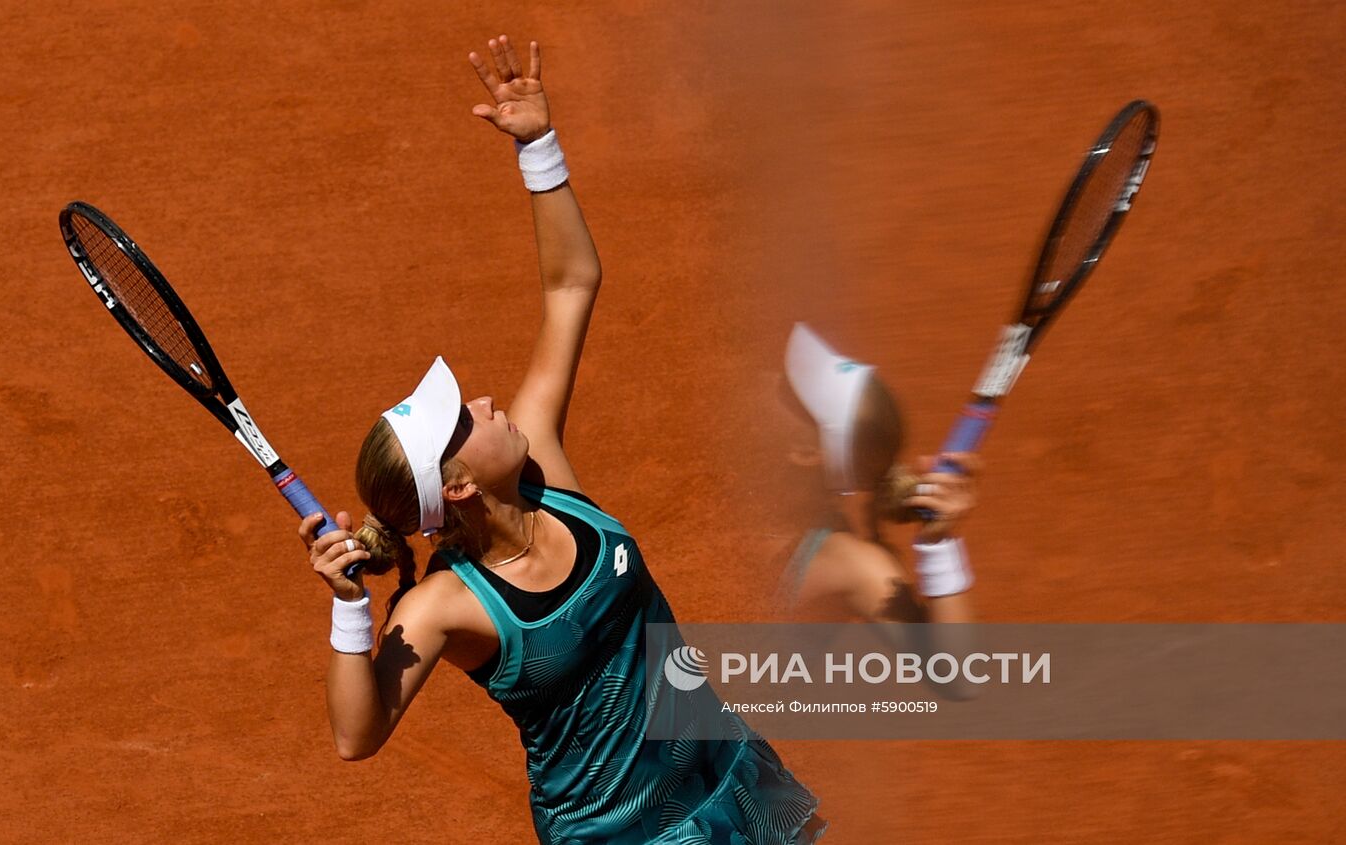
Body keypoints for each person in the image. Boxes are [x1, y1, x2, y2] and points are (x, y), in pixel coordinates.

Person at [298, 34, 826, 844]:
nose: (484, 399)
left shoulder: (542, 458)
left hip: (730, 783)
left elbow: (572, 283)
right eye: (463, 420)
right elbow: (354, 736)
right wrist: (349, 614)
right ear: (462, 485)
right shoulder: (447, 604)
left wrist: (539, 147)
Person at [779, 323, 981, 625]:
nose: (768, 382)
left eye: (787, 392)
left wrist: (940, 547)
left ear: (804, 451)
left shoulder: (848, 563)